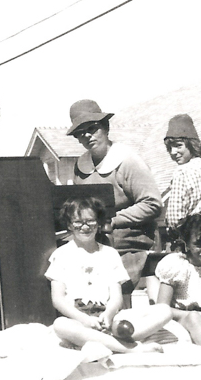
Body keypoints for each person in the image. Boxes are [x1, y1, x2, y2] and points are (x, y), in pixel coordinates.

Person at [46, 197, 171, 354]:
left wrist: (109, 314)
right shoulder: (61, 255)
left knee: (164, 311)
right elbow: (58, 300)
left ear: (98, 223)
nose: (85, 227)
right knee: (60, 325)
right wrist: (84, 319)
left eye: (90, 221)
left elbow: (116, 296)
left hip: (111, 320)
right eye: (78, 222)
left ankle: (107, 338)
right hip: (79, 321)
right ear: (70, 225)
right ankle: (129, 348)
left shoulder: (110, 254)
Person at [66, 99, 163, 302]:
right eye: (80, 133)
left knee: (110, 290)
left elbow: (152, 203)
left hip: (131, 247)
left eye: (93, 129)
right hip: (93, 243)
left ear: (105, 128)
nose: (87, 136)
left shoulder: (127, 160)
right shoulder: (80, 165)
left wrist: (113, 221)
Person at [155, 212, 201, 355]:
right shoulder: (177, 265)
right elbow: (162, 308)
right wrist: (192, 314)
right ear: (187, 243)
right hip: (185, 318)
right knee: (195, 318)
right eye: (199, 245)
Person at [163, 114, 201, 232]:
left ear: (192, 145)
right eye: (170, 148)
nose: (173, 152)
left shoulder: (181, 172)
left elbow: (174, 219)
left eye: (178, 146)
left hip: (191, 240)